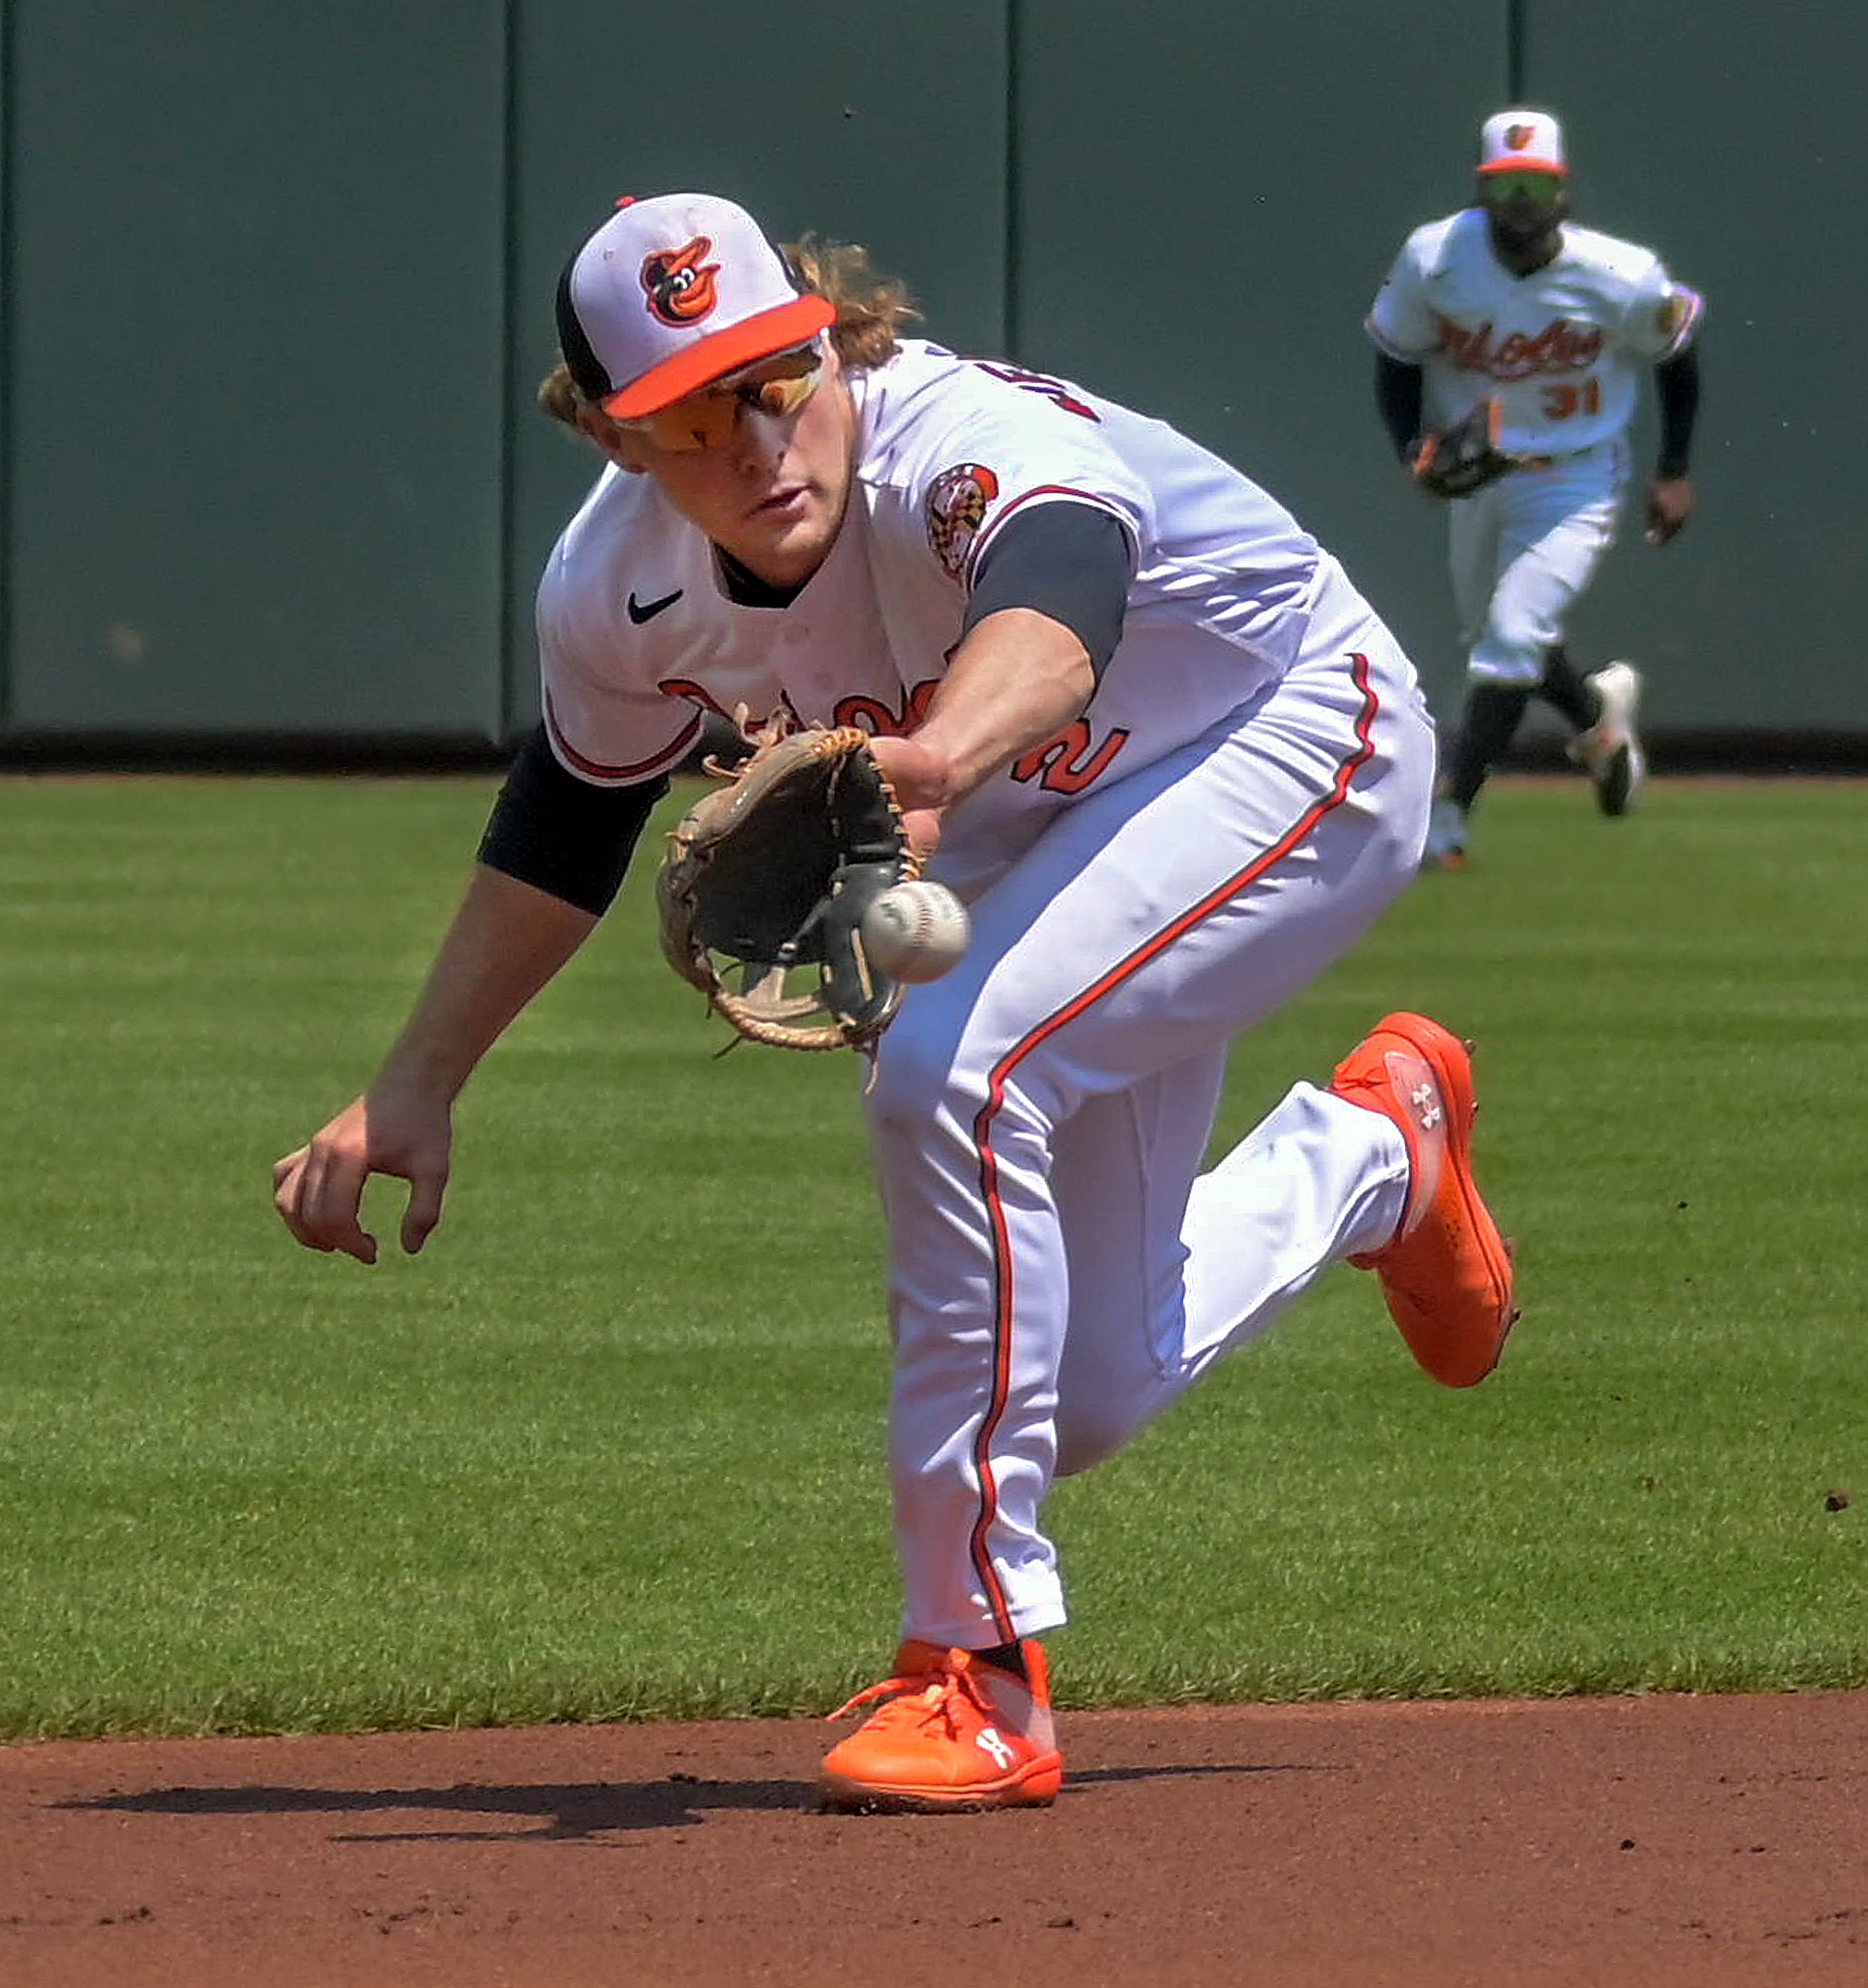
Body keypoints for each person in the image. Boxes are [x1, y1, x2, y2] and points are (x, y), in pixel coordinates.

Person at [272, 191, 1517, 1813]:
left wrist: (934, 760)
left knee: (950, 1071)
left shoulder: (953, 439)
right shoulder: (614, 592)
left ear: (822, 334)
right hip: (1055, 822)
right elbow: (571, 815)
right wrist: (415, 1079)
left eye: (774, 375)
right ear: (607, 428)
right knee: (1074, 1389)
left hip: (1289, 732)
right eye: (691, 413)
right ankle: (1372, 1152)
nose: (758, 438)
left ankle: (973, 1672)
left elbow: (1056, 611)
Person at [1366, 108, 1704, 869]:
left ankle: (1449, 817)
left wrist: (1673, 471)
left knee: (1509, 640)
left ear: (1562, 190)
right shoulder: (1435, 257)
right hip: (1477, 476)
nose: (1520, 200)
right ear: (1482, 190)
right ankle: (1597, 717)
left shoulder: (1620, 274)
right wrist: (1410, 448)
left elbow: (1676, 362)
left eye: (1534, 184)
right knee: (1500, 640)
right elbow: (1394, 355)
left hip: (1575, 475)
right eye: (1504, 184)